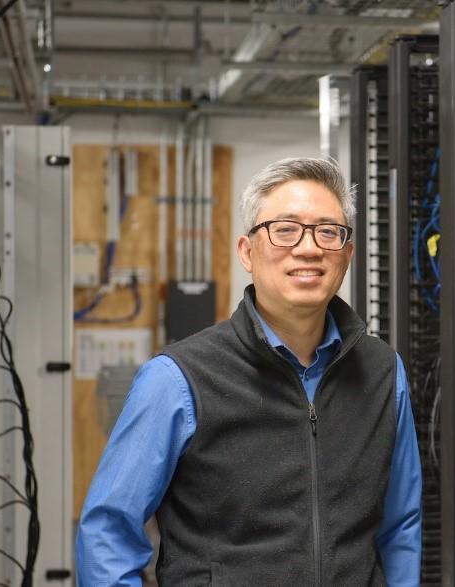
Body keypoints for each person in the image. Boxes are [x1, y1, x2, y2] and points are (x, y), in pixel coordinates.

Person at [76, 157, 422, 586]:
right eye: (285, 229)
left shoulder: (383, 373)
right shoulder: (178, 380)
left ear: (347, 255)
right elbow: (107, 535)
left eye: (328, 232)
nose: (309, 248)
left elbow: (400, 526)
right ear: (247, 252)